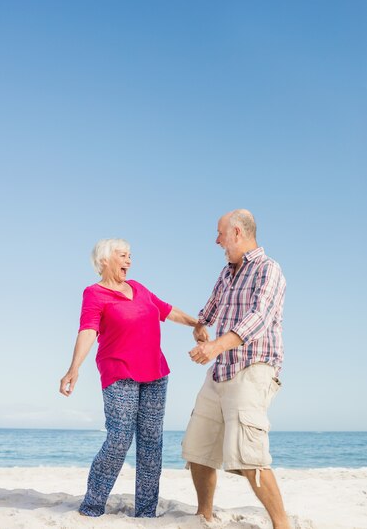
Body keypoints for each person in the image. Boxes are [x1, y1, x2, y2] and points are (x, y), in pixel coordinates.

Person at [60, 238, 204, 518]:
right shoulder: (94, 293)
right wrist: (73, 368)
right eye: (123, 255)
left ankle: (146, 512)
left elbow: (167, 310)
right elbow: (88, 329)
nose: (129, 260)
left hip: (155, 373)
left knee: (151, 443)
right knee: (119, 438)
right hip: (119, 371)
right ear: (104, 260)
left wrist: (195, 324)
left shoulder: (139, 288)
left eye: (130, 256)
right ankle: (92, 506)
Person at [183, 209, 291, 529]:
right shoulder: (226, 272)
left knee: (249, 456)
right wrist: (200, 326)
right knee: (198, 447)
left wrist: (214, 346)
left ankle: (282, 524)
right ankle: (204, 515)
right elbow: (210, 310)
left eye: (220, 234)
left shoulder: (269, 270)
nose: (216, 240)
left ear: (238, 233)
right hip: (221, 370)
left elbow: (257, 318)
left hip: (254, 367)